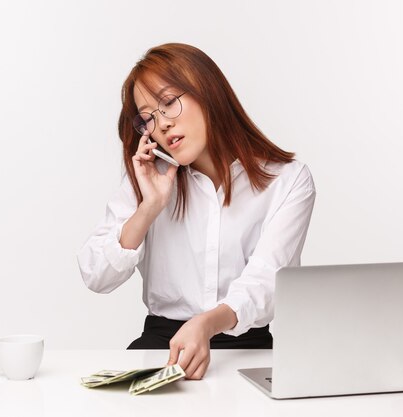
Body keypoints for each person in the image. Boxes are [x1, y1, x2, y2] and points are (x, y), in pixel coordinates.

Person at [77, 43, 316, 380]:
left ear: (208, 91)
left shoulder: (287, 180)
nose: (160, 125)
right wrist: (149, 208)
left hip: (248, 348)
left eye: (168, 103)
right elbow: (96, 274)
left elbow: (267, 279)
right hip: (161, 345)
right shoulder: (150, 178)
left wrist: (205, 325)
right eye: (147, 118)